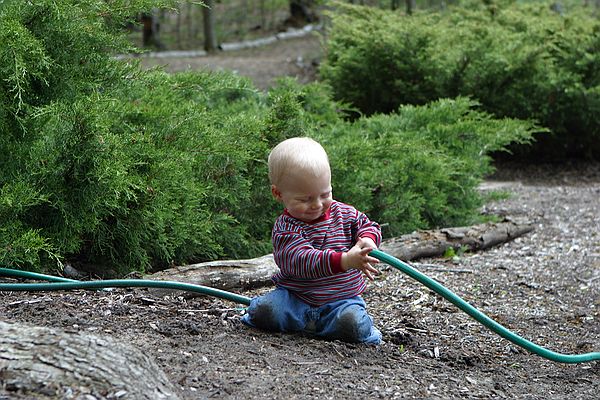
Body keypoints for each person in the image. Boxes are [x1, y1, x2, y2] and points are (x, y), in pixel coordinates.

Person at [241, 137, 383, 345]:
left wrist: (368, 239)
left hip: (341, 301)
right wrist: (344, 260)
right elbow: (301, 260)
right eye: (304, 199)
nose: (317, 204)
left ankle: (339, 327)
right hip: (296, 298)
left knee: (351, 323)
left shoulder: (344, 213)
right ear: (278, 193)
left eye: (325, 194)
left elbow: (368, 225)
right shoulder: (286, 228)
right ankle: (315, 325)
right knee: (266, 311)